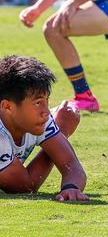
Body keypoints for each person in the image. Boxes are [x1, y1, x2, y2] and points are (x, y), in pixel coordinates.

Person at [0, 54, 88, 201]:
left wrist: (71, 188)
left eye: (46, 101)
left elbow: (71, 164)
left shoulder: (37, 118)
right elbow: (24, 187)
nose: (46, 111)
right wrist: (63, 129)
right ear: (7, 106)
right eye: (37, 103)